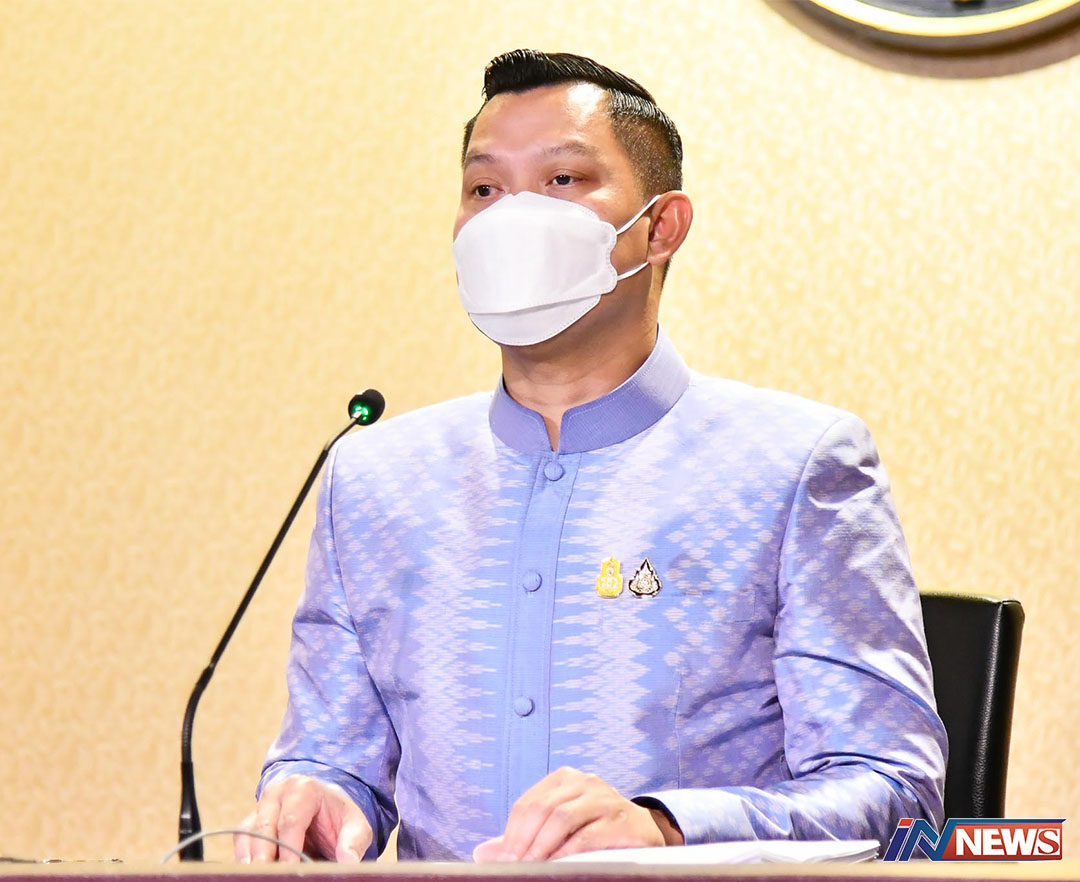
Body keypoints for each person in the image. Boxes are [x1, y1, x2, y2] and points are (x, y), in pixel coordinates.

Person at [234, 49, 947, 864]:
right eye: (484, 189)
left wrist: (667, 827)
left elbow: (893, 793)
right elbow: (330, 760)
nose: (511, 217)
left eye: (563, 179)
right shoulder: (371, 481)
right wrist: (315, 798)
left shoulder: (796, 466)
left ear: (659, 227)